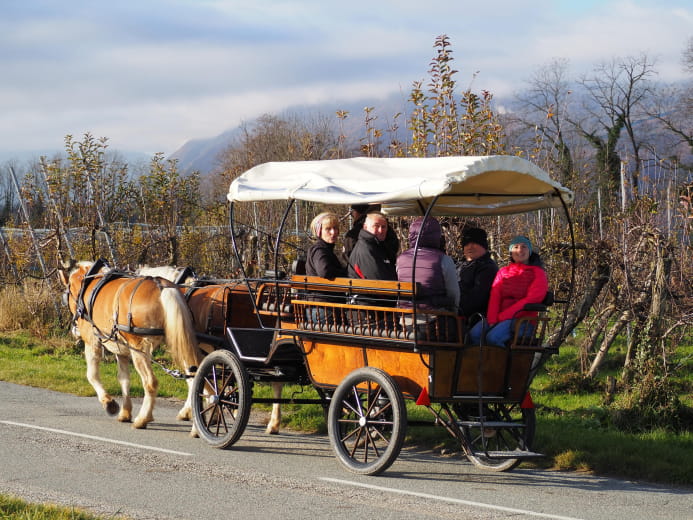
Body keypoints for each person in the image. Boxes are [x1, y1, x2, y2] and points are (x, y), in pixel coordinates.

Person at [468, 235, 548, 347]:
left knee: (493, 338)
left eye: (524, 247)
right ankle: (482, 362)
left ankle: (506, 363)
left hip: (522, 320)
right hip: (499, 317)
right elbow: (495, 296)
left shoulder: (538, 273)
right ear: (511, 252)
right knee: (474, 334)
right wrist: (492, 319)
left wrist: (503, 317)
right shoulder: (503, 272)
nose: (520, 250)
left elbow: (532, 299)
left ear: (529, 251)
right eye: (516, 247)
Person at [396, 217, 460, 339]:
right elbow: (454, 293)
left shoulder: (400, 259)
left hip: (404, 320)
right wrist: (455, 313)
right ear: (436, 236)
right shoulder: (443, 259)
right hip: (433, 323)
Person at [305, 212, 347, 326]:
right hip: (323, 309)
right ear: (319, 232)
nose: (333, 232)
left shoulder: (326, 249)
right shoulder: (319, 249)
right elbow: (325, 271)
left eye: (335, 228)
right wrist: (346, 273)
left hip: (325, 306)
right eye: (328, 229)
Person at [456, 227, 498, 326]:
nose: (470, 246)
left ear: (484, 246)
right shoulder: (458, 265)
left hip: (474, 319)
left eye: (474, 242)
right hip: (453, 314)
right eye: (466, 243)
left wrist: (452, 307)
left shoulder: (488, 268)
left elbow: (477, 298)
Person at [347, 211, 398, 281]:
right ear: (365, 227)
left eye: (383, 227)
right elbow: (378, 281)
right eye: (376, 226)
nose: (380, 230)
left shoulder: (378, 246)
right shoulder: (365, 249)